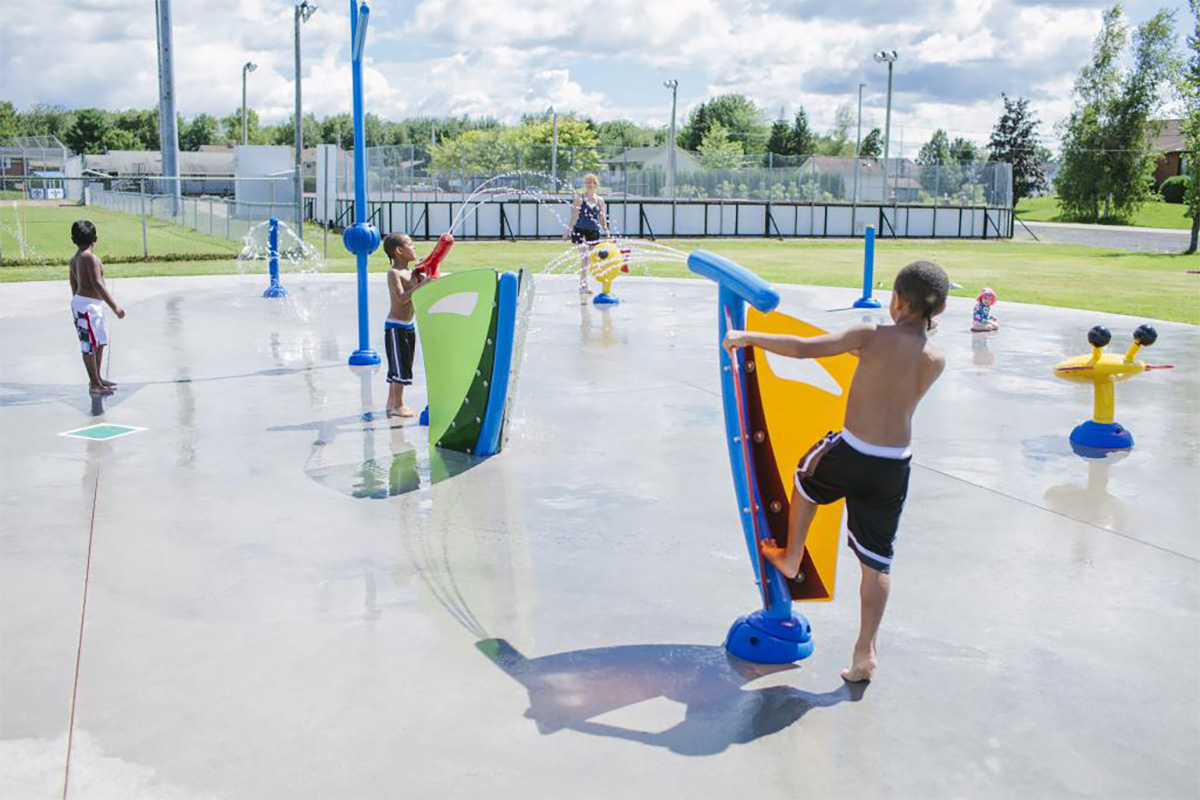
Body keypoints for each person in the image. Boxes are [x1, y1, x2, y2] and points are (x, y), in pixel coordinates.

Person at [723, 261, 949, 683]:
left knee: (805, 479)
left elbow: (805, 347)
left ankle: (791, 558)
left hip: (853, 451)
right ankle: (865, 653)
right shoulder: (935, 360)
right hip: (894, 466)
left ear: (897, 300)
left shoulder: (871, 336)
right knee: (877, 564)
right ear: (940, 311)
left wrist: (747, 336)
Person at [69, 220, 124, 395]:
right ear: (96, 238)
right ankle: (94, 384)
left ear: (73, 239)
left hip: (89, 305)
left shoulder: (74, 259)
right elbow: (98, 284)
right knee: (89, 346)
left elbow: (73, 285)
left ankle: (98, 378)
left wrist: (77, 306)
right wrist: (116, 307)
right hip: (87, 307)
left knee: (99, 342)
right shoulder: (90, 258)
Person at [381, 233, 429, 418]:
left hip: (408, 326)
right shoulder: (394, 273)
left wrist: (426, 272)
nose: (414, 247)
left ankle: (391, 402)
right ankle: (398, 405)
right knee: (400, 367)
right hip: (396, 327)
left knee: (399, 364)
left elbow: (424, 290)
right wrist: (421, 283)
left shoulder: (413, 274)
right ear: (399, 251)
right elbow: (401, 299)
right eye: (410, 244)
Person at [562, 173, 609, 294]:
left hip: (593, 231)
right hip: (580, 230)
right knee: (585, 257)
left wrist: (606, 230)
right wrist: (567, 231)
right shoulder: (580, 198)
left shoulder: (600, 201)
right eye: (587, 182)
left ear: (595, 184)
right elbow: (573, 216)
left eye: (591, 182)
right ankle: (584, 285)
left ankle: (588, 282)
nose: (589, 184)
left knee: (592, 258)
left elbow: (602, 217)